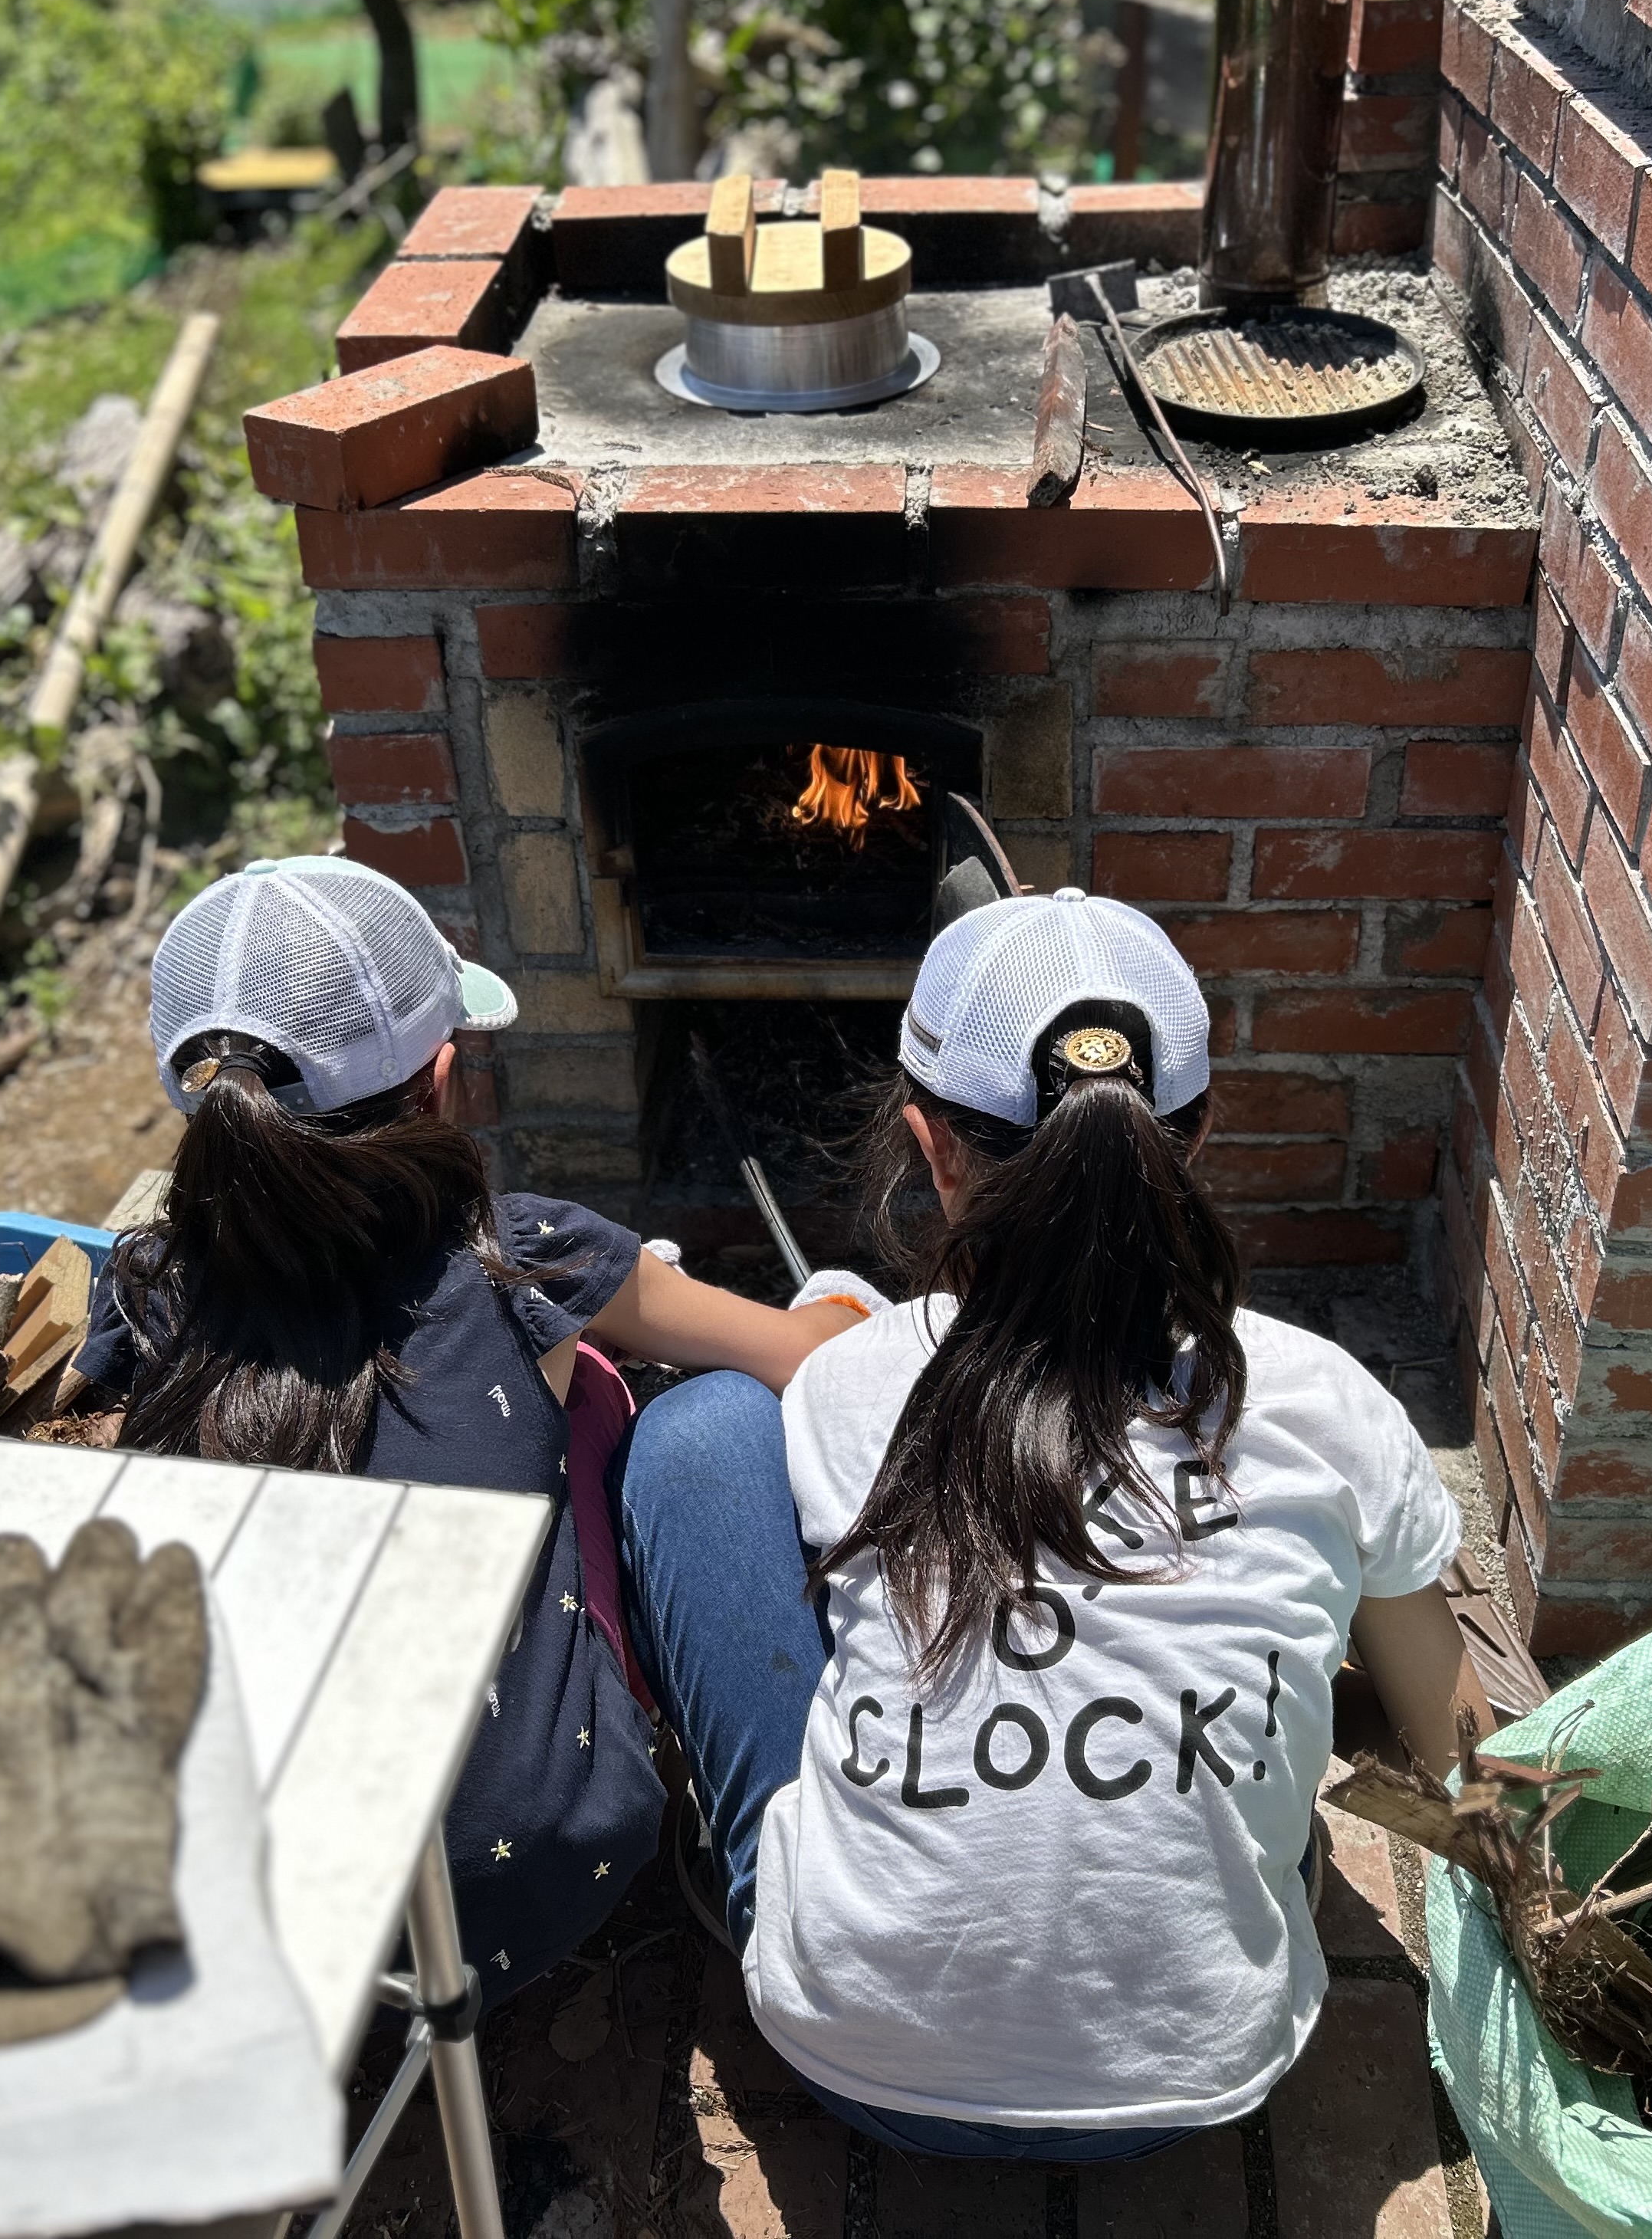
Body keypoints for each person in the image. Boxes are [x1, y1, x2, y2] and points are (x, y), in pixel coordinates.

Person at [619, 888, 1493, 2159]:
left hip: (859, 2061)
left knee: (695, 1440)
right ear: (1191, 1136)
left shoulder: (853, 1383)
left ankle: (817, 1880)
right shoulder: (1322, 1398)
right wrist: (1544, 1895)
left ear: (930, 1147)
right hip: (1209, 2068)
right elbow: (1462, 1745)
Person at [70, 855, 863, 1992]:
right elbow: (800, 1360)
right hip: (530, 1879)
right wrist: (835, 1298)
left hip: (233, 1921)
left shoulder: (146, 1277)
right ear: (441, 1079)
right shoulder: (520, 1255)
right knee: (597, 1389)